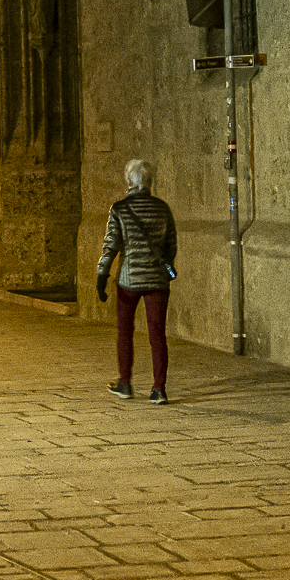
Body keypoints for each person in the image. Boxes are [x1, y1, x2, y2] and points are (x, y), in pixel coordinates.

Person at [97, 157, 177, 403]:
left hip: (128, 280)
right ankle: (159, 389)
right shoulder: (162, 208)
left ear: (128, 181)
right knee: (157, 334)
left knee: (125, 331)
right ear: (150, 181)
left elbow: (111, 246)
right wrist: (164, 267)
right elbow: (170, 246)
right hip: (157, 281)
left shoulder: (119, 209)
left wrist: (102, 273)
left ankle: (125, 383)